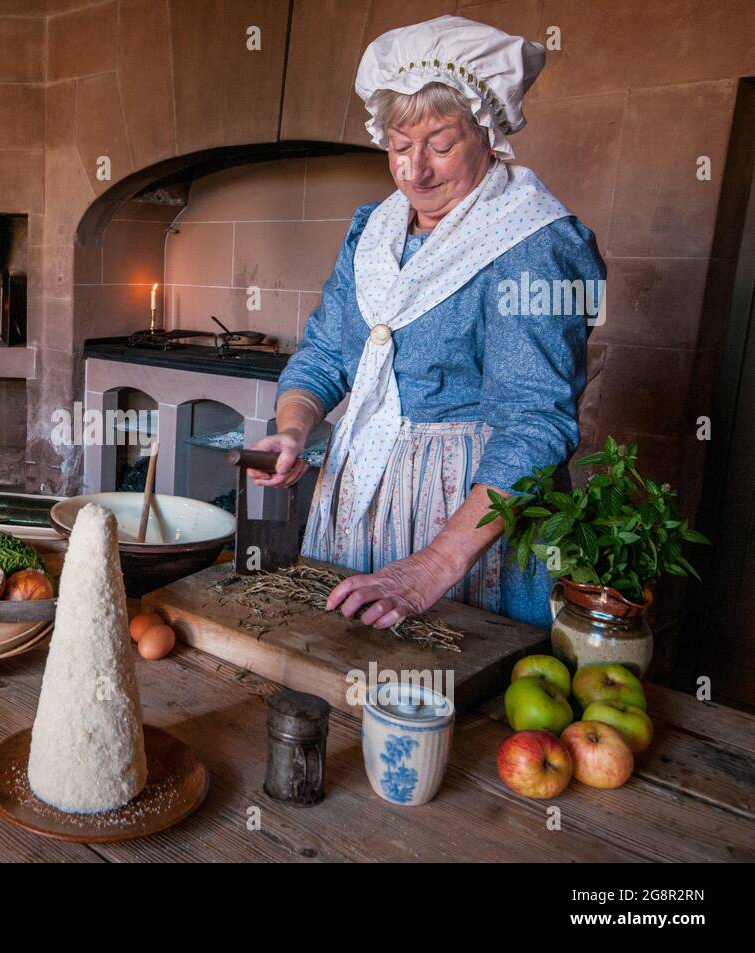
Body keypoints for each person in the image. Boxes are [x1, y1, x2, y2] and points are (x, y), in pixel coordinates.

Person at [252, 15, 605, 630]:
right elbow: (327, 356)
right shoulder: (373, 231)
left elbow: (535, 425)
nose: (415, 172)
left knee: (456, 692)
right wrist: (293, 427)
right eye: (397, 146)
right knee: (346, 667)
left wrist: (432, 567)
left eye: (440, 146)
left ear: (487, 134)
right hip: (360, 493)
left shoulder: (532, 244)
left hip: (467, 519)